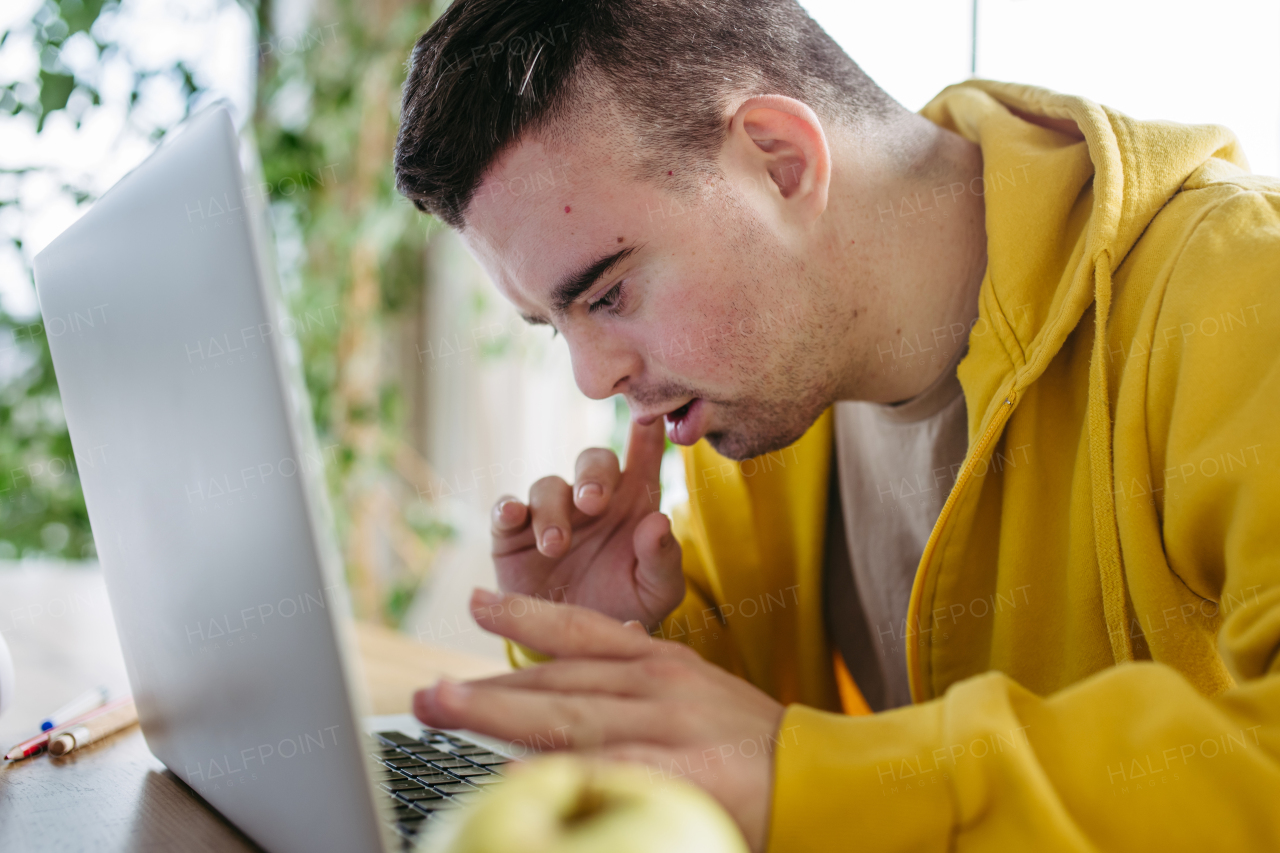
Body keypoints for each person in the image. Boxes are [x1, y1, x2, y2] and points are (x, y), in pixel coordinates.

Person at [393, 1, 1280, 849]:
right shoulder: (769, 391)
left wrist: (806, 775)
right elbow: (763, 766)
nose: (594, 379)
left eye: (610, 292)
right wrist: (620, 649)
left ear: (780, 162)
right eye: (559, 326)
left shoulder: (1238, 293)